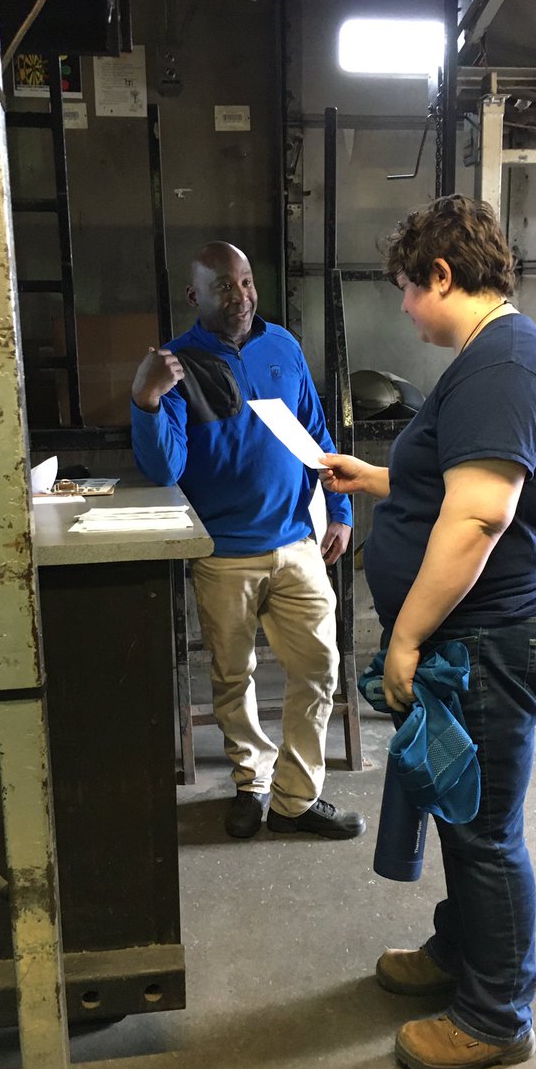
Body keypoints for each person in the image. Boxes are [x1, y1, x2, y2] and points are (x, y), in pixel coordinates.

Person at [320, 195, 536, 1069]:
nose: (402, 307)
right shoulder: (487, 361)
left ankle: (496, 1014)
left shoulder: (505, 363)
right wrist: (379, 478)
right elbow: (448, 481)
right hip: (476, 636)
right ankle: (461, 954)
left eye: (406, 288)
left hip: (491, 638)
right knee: (466, 817)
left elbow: (477, 519)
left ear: (442, 274)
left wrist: (406, 641)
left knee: (484, 830)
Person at [131, 241, 366, 843]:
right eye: (225, 287)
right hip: (222, 554)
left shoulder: (281, 345)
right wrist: (147, 399)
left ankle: (296, 797)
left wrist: (338, 509)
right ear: (195, 295)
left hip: (296, 543)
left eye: (247, 283)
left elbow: (316, 434)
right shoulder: (177, 364)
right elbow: (165, 468)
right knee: (234, 679)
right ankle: (251, 784)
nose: (241, 297)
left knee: (319, 669)